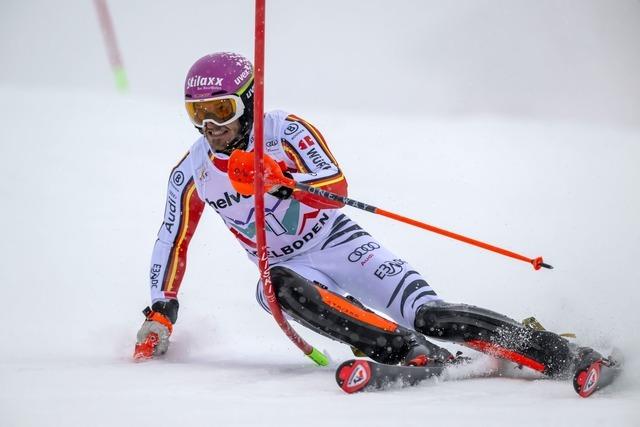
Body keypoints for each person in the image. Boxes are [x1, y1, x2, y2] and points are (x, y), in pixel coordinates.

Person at [133, 52, 598, 380]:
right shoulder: (192, 172)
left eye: (221, 110)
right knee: (271, 286)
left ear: (248, 101)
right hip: (289, 267)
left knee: (430, 313)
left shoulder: (285, 131)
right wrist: (161, 311)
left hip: (340, 242)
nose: (211, 127)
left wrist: (280, 179)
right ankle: (409, 353)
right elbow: (172, 239)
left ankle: (561, 353)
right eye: (198, 114)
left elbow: (336, 191)